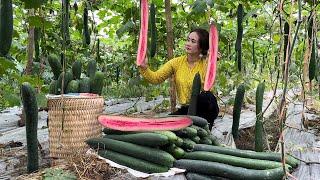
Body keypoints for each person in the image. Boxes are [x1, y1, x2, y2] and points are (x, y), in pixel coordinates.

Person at [138, 28, 219, 130]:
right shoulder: (176, 63)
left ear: (201, 46)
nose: (188, 43)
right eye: (188, 39)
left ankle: (204, 127)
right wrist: (144, 68)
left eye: (193, 41)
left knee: (206, 97)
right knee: (163, 125)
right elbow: (156, 78)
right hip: (187, 109)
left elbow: (208, 86)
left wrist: (212, 62)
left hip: (205, 108)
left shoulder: (206, 63)